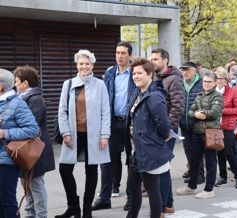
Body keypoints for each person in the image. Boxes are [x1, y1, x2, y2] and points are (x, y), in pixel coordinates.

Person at [56, 50, 111, 218]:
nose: (84, 66)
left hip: (94, 135)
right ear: (77, 65)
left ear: (92, 65)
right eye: (81, 63)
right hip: (73, 134)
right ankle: (73, 206)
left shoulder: (100, 84)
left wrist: (104, 135)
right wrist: (65, 132)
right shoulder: (68, 84)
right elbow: (62, 111)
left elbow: (105, 112)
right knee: (65, 169)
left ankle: (87, 207)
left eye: (87, 63)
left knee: (92, 169)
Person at [125, 58, 173, 218]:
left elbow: (164, 124)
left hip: (148, 149)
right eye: (134, 73)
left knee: (152, 189)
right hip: (135, 149)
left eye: (139, 73)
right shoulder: (138, 92)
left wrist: (160, 138)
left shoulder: (154, 96)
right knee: (132, 185)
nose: (135, 76)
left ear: (150, 74)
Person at [93, 41, 136, 212]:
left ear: (130, 55)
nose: (120, 56)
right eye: (118, 53)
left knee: (132, 162)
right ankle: (104, 198)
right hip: (112, 122)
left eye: (123, 53)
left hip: (130, 123)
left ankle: (132, 198)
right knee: (106, 161)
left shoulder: (135, 72)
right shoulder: (109, 73)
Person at [13, 66, 55, 218]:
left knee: (35, 184)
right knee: (26, 185)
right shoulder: (23, 99)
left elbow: (30, 125)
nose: (15, 85)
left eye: (17, 81)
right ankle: (30, 213)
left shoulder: (35, 99)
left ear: (25, 83)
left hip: (33, 150)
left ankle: (41, 215)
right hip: (25, 149)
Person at [176, 72, 224, 199]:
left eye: (209, 82)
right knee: (194, 160)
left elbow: (214, 113)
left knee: (211, 162)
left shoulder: (217, 96)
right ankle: (191, 186)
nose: (206, 84)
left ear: (214, 83)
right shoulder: (199, 95)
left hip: (210, 134)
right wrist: (196, 114)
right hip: (197, 133)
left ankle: (209, 189)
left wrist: (198, 113)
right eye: (204, 82)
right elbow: (190, 112)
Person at [0, 69, 39, 218]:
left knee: (6, 199)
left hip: (7, 160)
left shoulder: (17, 104)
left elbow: (33, 130)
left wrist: (5, 133)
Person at [151, 48, 185, 214]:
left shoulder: (174, 80)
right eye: (151, 59)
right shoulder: (155, 77)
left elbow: (178, 108)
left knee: (162, 168)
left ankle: (163, 206)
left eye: (155, 59)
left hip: (167, 130)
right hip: (156, 129)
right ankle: (169, 204)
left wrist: (167, 131)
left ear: (165, 60)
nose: (152, 62)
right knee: (161, 167)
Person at [213, 67, 237, 189]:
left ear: (226, 79)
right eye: (217, 78)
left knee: (229, 151)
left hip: (228, 125)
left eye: (221, 78)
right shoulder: (212, 91)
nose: (219, 81)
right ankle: (223, 177)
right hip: (215, 126)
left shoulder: (233, 91)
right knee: (219, 152)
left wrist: (223, 111)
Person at [179, 62, 205, 184]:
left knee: (197, 150)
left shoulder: (202, 83)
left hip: (197, 122)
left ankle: (200, 175)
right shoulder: (180, 82)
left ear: (194, 71)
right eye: (183, 70)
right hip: (184, 122)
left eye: (187, 70)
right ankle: (193, 173)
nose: (184, 72)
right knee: (188, 149)